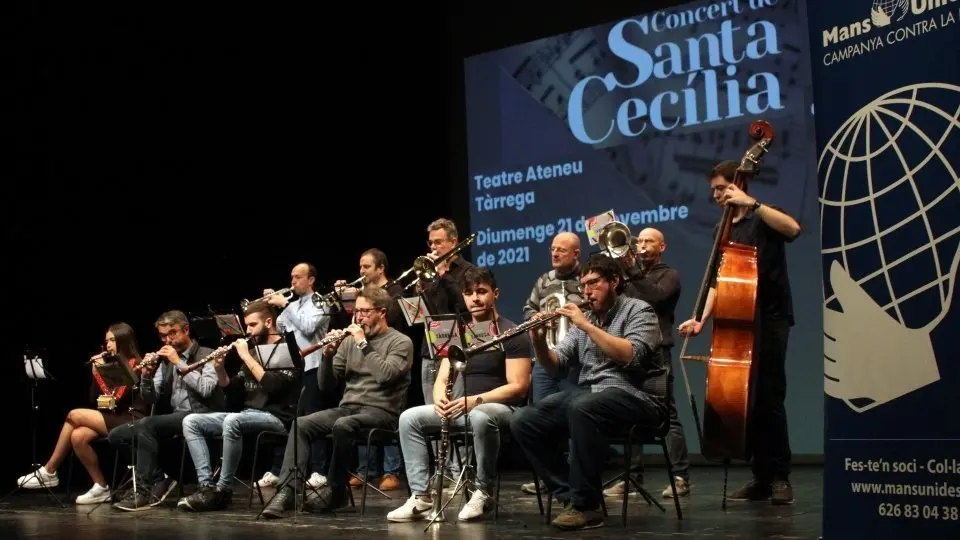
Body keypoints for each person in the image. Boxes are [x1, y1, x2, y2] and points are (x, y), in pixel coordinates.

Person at [511, 253, 667, 531]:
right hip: (590, 398)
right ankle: (572, 495)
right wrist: (538, 340)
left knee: (582, 405)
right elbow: (556, 366)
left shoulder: (639, 310)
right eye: (583, 285)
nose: (586, 291)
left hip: (638, 399)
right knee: (524, 421)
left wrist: (585, 325)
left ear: (614, 281)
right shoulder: (588, 320)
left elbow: (631, 355)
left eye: (594, 283)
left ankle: (586, 506)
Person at [677, 160, 802, 505]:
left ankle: (779, 477)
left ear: (738, 184)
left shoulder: (763, 215)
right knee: (746, 401)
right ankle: (761, 478)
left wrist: (755, 205)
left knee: (769, 397)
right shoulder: (726, 229)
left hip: (771, 317)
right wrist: (700, 318)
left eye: (721, 188)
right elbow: (722, 281)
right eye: (714, 190)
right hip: (738, 319)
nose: (717, 195)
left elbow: (793, 229)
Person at [387, 267, 531, 522]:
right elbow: (443, 377)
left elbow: (518, 386)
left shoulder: (512, 332)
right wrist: (441, 398)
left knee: (480, 417)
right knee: (409, 418)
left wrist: (474, 401)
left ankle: (483, 491)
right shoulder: (460, 333)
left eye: (481, 292)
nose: (474, 298)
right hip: (462, 408)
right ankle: (421, 497)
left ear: (495, 294)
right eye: (468, 293)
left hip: (499, 409)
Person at [261, 286, 413, 519]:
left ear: (382, 312)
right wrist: (327, 356)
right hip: (349, 408)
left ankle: (335, 489)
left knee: (344, 425)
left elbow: (385, 376)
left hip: (382, 411)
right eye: (356, 311)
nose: (358, 316)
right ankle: (288, 491)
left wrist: (363, 344)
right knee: (301, 424)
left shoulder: (401, 342)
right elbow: (326, 385)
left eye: (364, 311)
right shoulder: (350, 342)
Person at [177, 301, 301, 511]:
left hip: (279, 417)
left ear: (269, 322)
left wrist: (244, 355)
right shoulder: (253, 351)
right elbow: (233, 391)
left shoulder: (289, 351)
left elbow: (272, 386)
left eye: (253, 325)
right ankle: (206, 486)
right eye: (247, 326)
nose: (248, 331)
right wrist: (219, 369)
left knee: (233, 420)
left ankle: (223, 490)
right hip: (248, 413)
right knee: (191, 421)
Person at [14, 323, 149, 504]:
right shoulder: (111, 365)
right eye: (106, 340)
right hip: (112, 417)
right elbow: (96, 400)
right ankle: (100, 486)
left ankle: (49, 470)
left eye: (112, 340)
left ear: (123, 341)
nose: (108, 345)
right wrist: (96, 374)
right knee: (78, 436)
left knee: (74, 415)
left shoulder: (135, 364)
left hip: (131, 417)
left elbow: (118, 398)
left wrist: (101, 374)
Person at [109, 310, 223, 511]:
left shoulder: (207, 354)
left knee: (146, 424)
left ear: (186, 329)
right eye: (163, 336)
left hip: (202, 415)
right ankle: (159, 478)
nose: (168, 340)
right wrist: (146, 376)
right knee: (117, 435)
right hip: (177, 417)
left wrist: (178, 362)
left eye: (173, 333)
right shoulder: (165, 361)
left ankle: (144, 492)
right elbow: (151, 398)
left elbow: (206, 389)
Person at [608, 228, 691, 498]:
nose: (642, 245)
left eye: (648, 241)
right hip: (630, 350)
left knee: (668, 414)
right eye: (639, 241)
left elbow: (655, 297)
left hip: (657, 351)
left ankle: (680, 477)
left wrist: (631, 270)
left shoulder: (670, 275)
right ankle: (633, 477)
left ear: (662, 246)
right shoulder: (630, 277)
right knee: (628, 412)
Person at [335, 248, 409, 492]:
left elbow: (396, 322)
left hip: (389, 350)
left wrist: (368, 326)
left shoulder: (395, 291)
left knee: (385, 401)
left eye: (366, 267)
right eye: (360, 266)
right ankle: (366, 469)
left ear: (381, 268)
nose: (361, 271)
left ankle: (390, 470)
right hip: (364, 349)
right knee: (356, 402)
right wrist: (347, 300)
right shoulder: (361, 297)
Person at [517, 231, 583, 496]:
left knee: (574, 418)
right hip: (547, 356)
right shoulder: (544, 280)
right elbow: (527, 309)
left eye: (561, 250)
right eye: (552, 249)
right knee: (542, 418)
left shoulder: (587, 278)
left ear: (576, 254)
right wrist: (540, 318)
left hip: (576, 358)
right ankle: (549, 476)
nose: (554, 254)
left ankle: (578, 475)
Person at [257, 262, 331, 491]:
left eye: (298, 277)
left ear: (311, 280)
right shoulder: (295, 304)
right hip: (295, 367)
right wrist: (274, 307)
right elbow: (281, 328)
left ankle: (319, 471)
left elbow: (308, 327)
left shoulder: (320, 300)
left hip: (313, 366)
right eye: (292, 278)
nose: (293, 282)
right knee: (290, 421)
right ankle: (283, 470)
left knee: (314, 419)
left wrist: (286, 305)